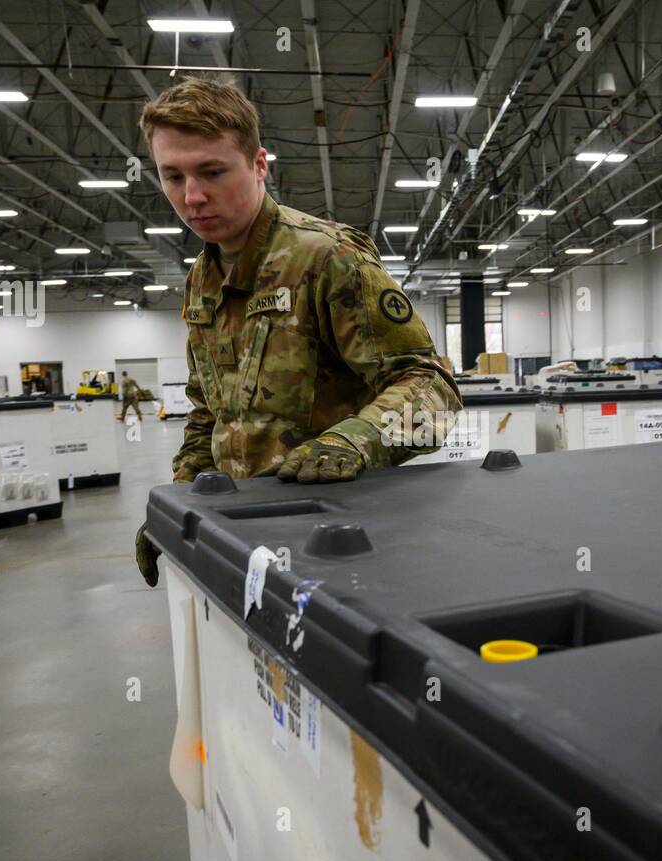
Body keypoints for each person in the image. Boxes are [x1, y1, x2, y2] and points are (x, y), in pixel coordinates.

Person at [133, 78, 460, 586]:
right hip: (241, 537)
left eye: (212, 172)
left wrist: (354, 442)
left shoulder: (327, 258)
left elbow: (433, 393)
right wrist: (178, 508)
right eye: (171, 176)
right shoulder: (203, 278)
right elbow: (208, 415)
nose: (191, 196)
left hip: (340, 538)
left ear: (259, 164)